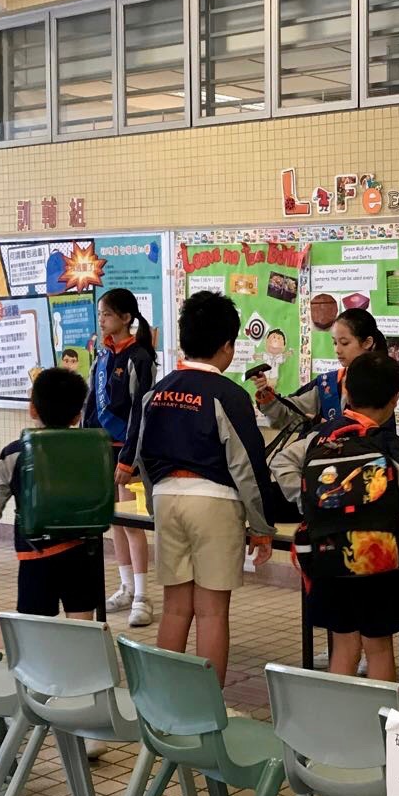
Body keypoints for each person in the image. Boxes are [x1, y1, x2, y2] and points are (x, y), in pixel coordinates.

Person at [126, 291, 275, 685]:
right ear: (227, 346)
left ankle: (163, 702)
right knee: (211, 612)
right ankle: (208, 713)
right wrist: (261, 527)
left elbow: (141, 455)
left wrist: (158, 509)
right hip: (214, 503)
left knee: (176, 609)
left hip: (166, 499)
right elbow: (248, 466)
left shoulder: (156, 392)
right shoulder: (229, 395)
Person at [271, 351, 399, 682]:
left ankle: (339, 723)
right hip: (379, 559)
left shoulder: (320, 437)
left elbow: (279, 463)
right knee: (379, 647)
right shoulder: (386, 444)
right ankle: (383, 724)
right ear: (395, 399)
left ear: (346, 393)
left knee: (343, 645)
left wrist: (309, 499)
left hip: (328, 556)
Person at [0, 368, 104, 621]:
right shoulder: (92, 448)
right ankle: (81, 660)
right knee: (82, 626)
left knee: (36, 628)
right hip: (83, 550)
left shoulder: (16, 452)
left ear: (32, 409)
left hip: (36, 554)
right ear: (78, 415)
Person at [86, 288, 156, 628]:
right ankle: (126, 587)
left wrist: (128, 460)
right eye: (100, 314)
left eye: (108, 315)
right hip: (101, 450)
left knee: (132, 523)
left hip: (128, 454)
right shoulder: (101, 356)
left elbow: (141, 413)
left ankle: (143, 595)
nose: (102, 320)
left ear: (126, 318)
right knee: (114, 521)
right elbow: (91, 405)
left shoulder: (139, 356)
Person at [255, 307, 387, 431]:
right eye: (335, 342)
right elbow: (287, 415)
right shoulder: (327, 383)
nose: (337, 350)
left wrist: (331, 428)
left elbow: (381, 437)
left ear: (367, 343)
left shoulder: (384, 384)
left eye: (344, 343)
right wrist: (267, 395)